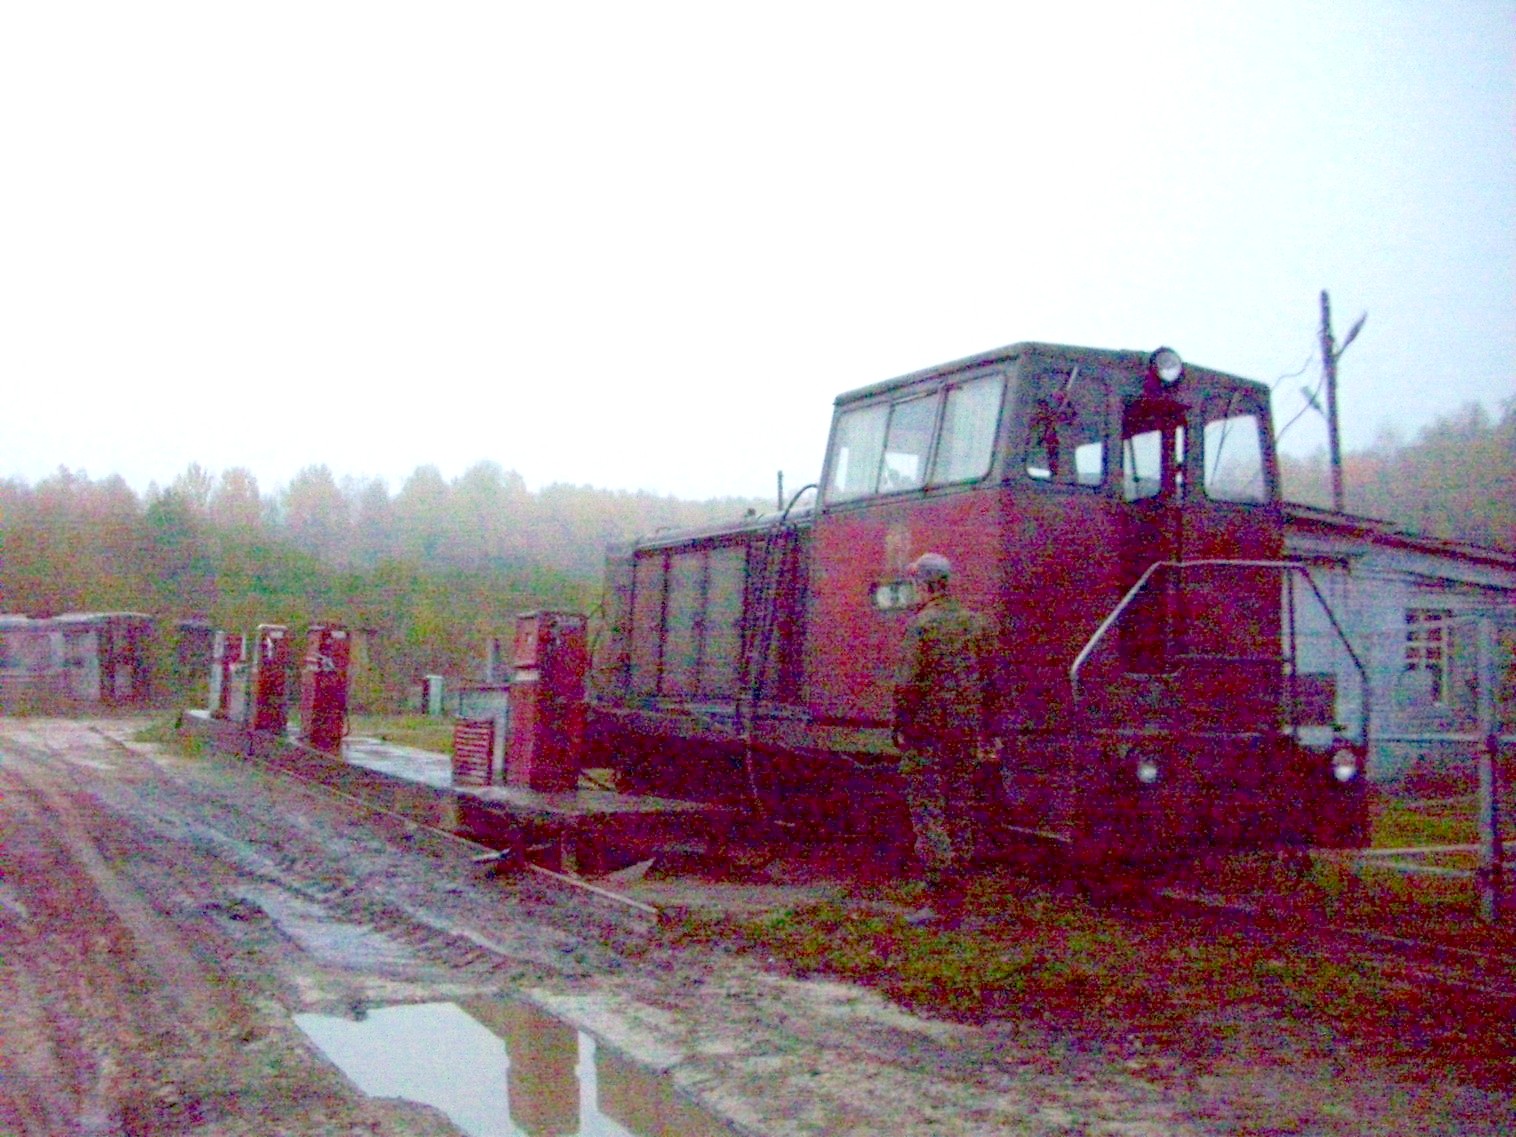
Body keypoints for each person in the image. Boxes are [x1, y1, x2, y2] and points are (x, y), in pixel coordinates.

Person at [892, 552, 995, 924]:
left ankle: (940, 902)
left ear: (923, 584)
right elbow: (991, 683)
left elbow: (907, 685)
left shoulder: (922, 626)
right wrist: (988, 729)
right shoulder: (976, 624)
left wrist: (901, 725)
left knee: (929, 815)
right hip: (964, 734)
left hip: (926, 735)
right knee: (959, 811)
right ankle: (958, 899)